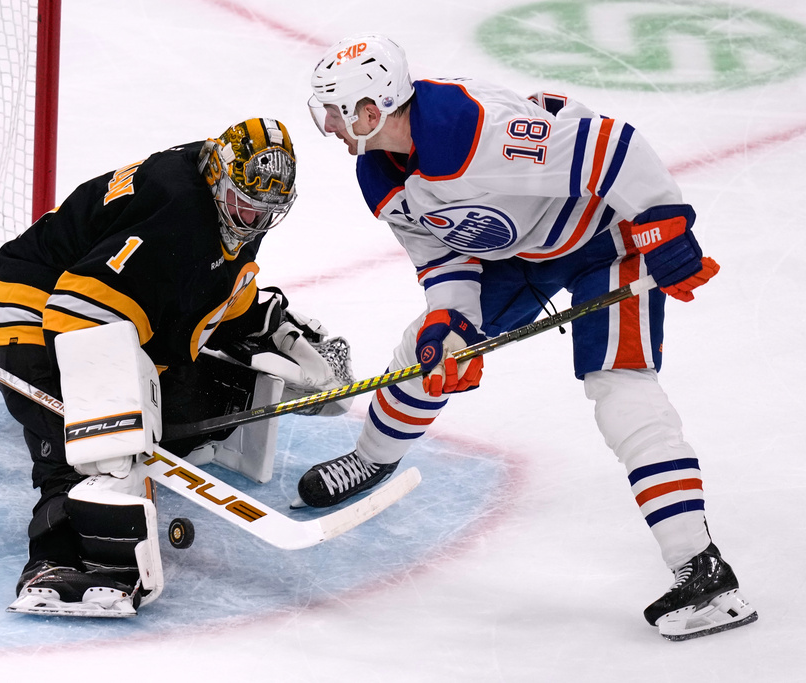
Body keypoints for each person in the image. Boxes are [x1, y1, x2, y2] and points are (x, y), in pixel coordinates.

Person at [299, 34, 756, 640]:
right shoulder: (376, 172)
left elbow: (612, 148)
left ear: (375, 106)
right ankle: (372, 458)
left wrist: (663, 224)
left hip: (605, 237)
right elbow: (441, 255)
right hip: (520, 251)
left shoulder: (474, 130)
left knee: (620, 387)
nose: (328, 122)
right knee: (424, 352)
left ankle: (704, 574)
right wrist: (450, 320)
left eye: (338, 108)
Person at [0, 117, 351, 616]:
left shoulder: (231, 196)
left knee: (182, 416)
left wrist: (274, 331)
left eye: (268, 211)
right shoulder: (176, 213)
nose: (254, 220)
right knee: (89, 443)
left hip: (113, 302)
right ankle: (55, 554)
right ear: (218, 176)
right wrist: (109, 422)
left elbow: (206, 277)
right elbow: (75, 317)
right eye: (246, 204)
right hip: (34, 304)